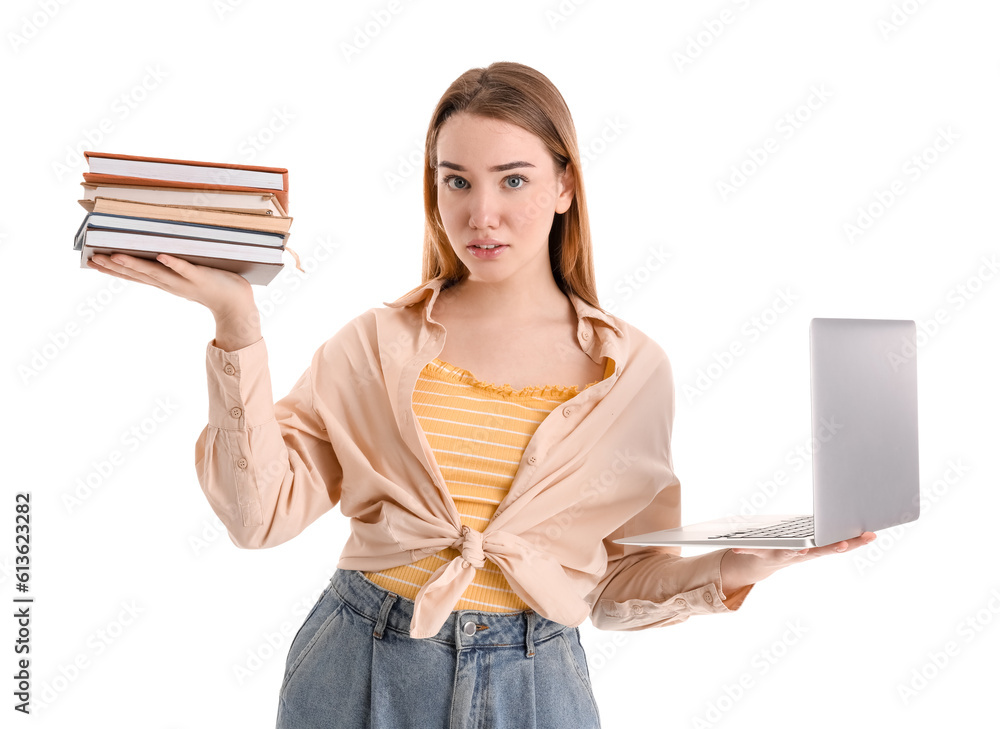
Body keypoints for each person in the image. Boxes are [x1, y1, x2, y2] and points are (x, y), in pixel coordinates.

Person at [86, 61, 876, 729]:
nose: (481, 213)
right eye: (456, 180)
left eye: (513, 179)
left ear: (565, 184)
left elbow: (614, 590)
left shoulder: (629, 372)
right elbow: (257, 516)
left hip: (539, 680)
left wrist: (739, 566)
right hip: (358, 664)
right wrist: (237, 325)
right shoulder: (373, 344)